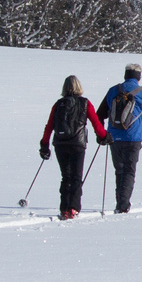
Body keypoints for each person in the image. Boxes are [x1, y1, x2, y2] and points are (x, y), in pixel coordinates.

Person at [97, 63, 142, 214]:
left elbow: (100, 114)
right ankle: (123, 205)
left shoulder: (113, 90)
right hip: (133, 138)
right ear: (139, 77)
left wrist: (101, 135)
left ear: (125, 75)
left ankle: (120, 202)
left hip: (114, 138)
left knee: (119, 170)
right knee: (129, 171)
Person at [40, 75, 108, 220]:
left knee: (66, 176)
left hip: (60, 144)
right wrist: (104, 136)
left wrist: (44, 145)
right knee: (76, 177)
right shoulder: (85, 103)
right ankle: (73, 208)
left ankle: (64, 208)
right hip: (78, 144)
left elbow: (49, 126)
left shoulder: (58, 104)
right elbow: (95, 122)